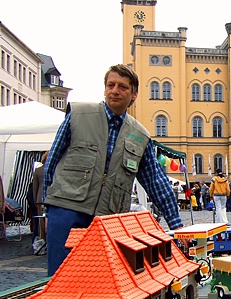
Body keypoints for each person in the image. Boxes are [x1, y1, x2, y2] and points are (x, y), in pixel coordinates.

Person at [43, 64, 183, 277]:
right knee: (60, 277)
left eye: (122, 87)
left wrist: (178, 228)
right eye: (111, 85)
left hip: (108, 218)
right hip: (66, 210)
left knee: (101, 281)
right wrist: (48, 207)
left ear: (134, 94)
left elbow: (156, 182)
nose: (115, 91)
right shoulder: (79, 114)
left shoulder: (140, 135)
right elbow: (52, 161)